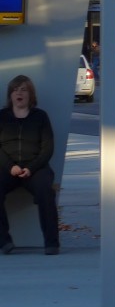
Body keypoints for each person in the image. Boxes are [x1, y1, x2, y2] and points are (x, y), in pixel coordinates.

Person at [0, 74, 60, 254]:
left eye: (23, 89)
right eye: (15, 90)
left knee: (46, 192)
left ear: (30, 95)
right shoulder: (1, 116)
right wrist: (10, 166)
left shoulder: (40, 117)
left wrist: (30, 168)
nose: (19, 93)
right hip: (6, 168)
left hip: (35, 169)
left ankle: (51, 243)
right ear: (10, 95)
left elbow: (48, 148)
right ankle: (4, 241)